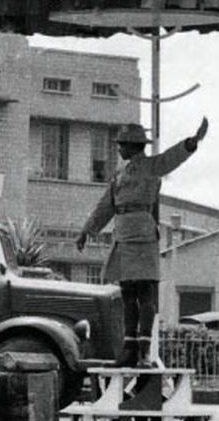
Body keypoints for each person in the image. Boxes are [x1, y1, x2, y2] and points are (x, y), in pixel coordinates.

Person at [76, 116, 209, 366]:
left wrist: (192, 142)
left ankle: (144, 348)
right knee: (128, 293)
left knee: (145, 293)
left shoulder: (151, 167)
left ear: (133, 146)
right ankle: (129, 348)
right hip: (123, 236)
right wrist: (87, 230)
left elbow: (172, 158)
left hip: (143, 235)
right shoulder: (118, 175)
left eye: (122, 144)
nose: (118, 148)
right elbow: (105, 206)